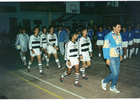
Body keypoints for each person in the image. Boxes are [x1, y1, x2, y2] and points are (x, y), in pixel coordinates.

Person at [101, 22, 123, 93]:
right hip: (111, 57)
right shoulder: (108, 36)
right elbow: (106, 47)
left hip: (118, 57)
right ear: (114, 27)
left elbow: (120, 45)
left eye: (120, 27)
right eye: (118, 27)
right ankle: (104, 81)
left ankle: (113, 86)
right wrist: (107, 58)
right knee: (114, 73)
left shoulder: (119, 35)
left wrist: (121, 54)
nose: (120, 29)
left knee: (117, 73)